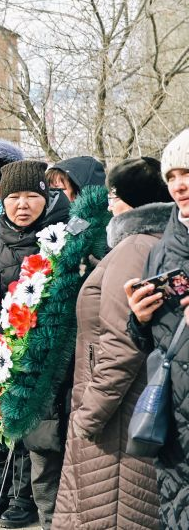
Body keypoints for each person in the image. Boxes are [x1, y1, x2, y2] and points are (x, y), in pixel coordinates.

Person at [53, 157, 170, 529]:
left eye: (115, 195)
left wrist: (90, 414)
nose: (108, 204)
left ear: (135, 200)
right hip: (121, 405)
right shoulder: (152, 241)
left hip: (116, 415)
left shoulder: (135, 247)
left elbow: (121, 343)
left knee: (112, 514)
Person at [0, 160, 70, 528]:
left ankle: (34, 504)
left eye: (32, 195)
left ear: (46, 197)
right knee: (10, 423)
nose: (22, 204)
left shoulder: (63, 237)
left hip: (53, 352)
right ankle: (9, 494)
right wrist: (11, 335)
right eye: (14, 196)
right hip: (12, 348)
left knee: (44, 434)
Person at [126, 128, 189, 529]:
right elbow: (147, 342)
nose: (180, 185)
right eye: (172, 176)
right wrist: (139, 316)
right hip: (175, 426)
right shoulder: (161, 249)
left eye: (188, 173)